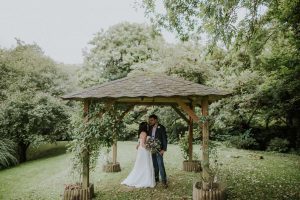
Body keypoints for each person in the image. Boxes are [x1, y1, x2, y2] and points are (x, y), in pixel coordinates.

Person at [121, 122, 156, 188]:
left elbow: (139, 144)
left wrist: (143, 145)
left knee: (141, 164)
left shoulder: (141, 133)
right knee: (145, 164)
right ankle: (145, 179)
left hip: (141, 151)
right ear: (145, 127)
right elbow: (143, 145)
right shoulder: (144, 133)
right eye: (147, 126)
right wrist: (150, 147)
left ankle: (143, 178)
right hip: (144, 151)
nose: (148, 127)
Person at [148, 114, 168, 188]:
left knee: (160, 164)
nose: (150, 121)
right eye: (150, 120)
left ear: (156, 120)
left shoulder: (161, 127)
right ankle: (156, 179)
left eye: (152, 120)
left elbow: (164, 139)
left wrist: (164, 149)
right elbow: (148, 138)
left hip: (160, 149)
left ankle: (164, 181)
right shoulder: (150, 128)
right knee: (154, 164)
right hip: (152, 149)